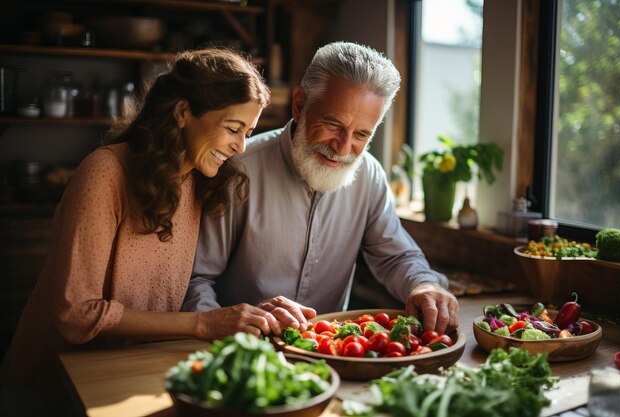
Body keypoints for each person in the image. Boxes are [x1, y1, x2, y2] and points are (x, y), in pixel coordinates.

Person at [0, 48, 279, 414]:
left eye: (248, 132)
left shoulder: (196, 182)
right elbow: (75, 314)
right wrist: (203, 324)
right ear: (182, 112)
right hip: (52, 389)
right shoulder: (105, 173)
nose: (240, 146)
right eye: (233, 128)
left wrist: (256, 313)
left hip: (126, 378)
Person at [183, 41, 459, 336]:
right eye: (333, 124)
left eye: (361, 134)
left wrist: (424, 284)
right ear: (299, 105)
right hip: (245, 353)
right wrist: (227, 330)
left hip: (331, 353)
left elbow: (396, 256)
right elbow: (195, 281)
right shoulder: (237, 169)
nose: (343, 148)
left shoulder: (370, 175)